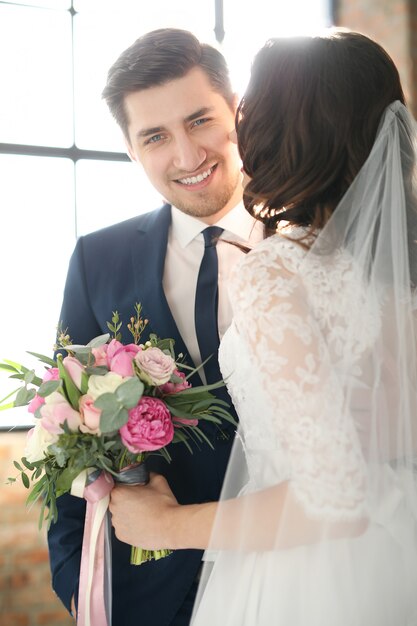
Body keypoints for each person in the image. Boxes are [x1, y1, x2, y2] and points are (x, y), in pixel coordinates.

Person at [109, 30, 417, 625]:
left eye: (245, 110)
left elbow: (334, 498)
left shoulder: (278, 268)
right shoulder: (396, 267)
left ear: (282, 125)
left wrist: (166, 524)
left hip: (315, 578)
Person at [47, 28, 264, 626]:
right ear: (129, 147)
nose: (188, 155)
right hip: (148, 596)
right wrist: (78, 584)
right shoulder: (99, 261)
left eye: (200, 121)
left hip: (296, 578)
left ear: (237, 113)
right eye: (156, 136)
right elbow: (68, 439)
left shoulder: (316, 241)